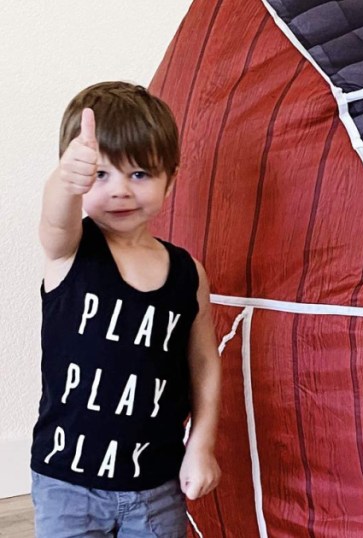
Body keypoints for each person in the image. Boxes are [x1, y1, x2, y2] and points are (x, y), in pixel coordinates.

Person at [31, 81, 221, 537]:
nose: (119, 191)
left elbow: (204, 362)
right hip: (67, 486)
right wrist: (64, 181)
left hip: (157, 486)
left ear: (170, 179)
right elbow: (55, 219)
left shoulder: (187, 272)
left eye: (139, 175)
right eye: (100, 175)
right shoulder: (71, 250)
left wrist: (202, 442)